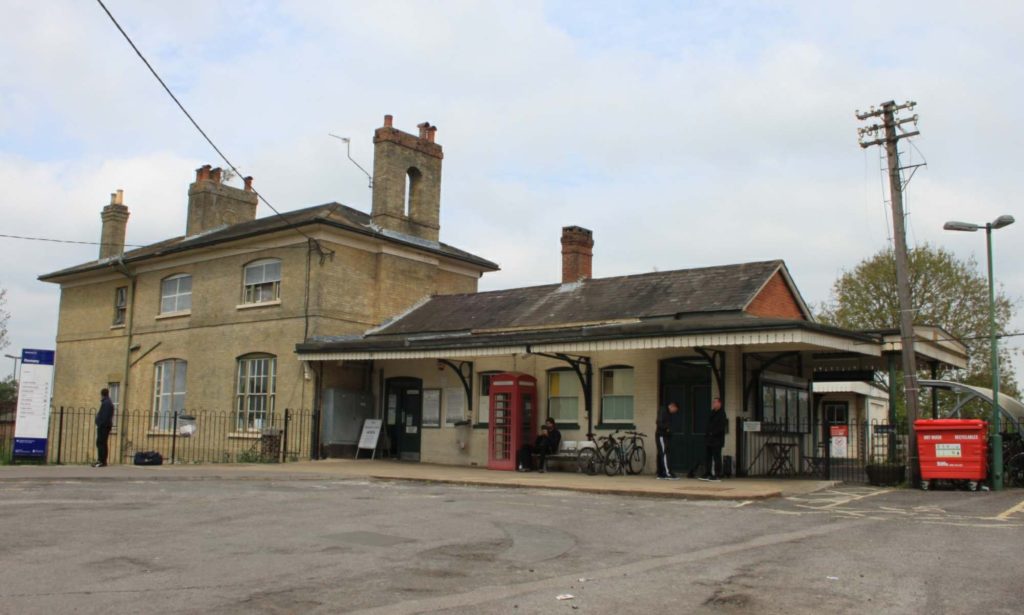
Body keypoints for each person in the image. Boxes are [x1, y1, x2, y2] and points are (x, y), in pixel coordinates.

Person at [700, 398, 727, 482]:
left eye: (715, 402)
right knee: (707, 456)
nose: (713, 404)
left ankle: (717, 474)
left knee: (716, 457)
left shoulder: (722, 414)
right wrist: (707, 433)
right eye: (713, 402)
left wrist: (713, 433)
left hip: (717, 439)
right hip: (709, 439)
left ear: (720, 403)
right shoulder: (712, 413)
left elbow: (721, 427)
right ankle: (708, 473)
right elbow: (708, 424)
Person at [655, 402, 679, 479]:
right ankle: (667, 473)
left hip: (665, 436)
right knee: (664, 453)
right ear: (672, 406)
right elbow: (659, 422)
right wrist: (667, 429)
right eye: (675, 410)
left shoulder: (668, 413)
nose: (674, 412)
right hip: (661, 435)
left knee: (661, 453)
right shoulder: (663, 411)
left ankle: (661, 473)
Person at [93, 388, 115, 468]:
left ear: (102, 394)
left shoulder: (106, 403)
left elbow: (104, 416)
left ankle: (101, 460)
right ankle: (102, 460)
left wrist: (99, 423)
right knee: (103, 443)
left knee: (100, 442)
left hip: (104, 426)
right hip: (106, 425)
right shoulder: (108, 402)